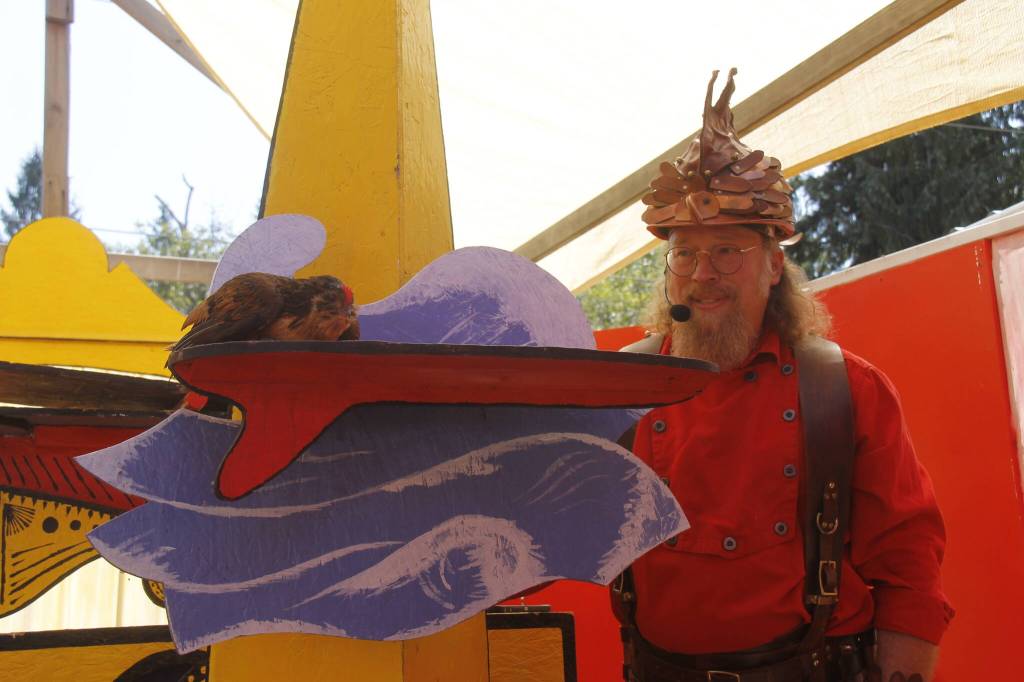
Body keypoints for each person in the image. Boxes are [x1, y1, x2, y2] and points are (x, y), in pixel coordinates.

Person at [612, 69, 952, 682]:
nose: (702, 273)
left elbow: (907, 558)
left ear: (774, 265)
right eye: (684, 252)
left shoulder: (845, 388)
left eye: (726, 251)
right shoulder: (620, 390)